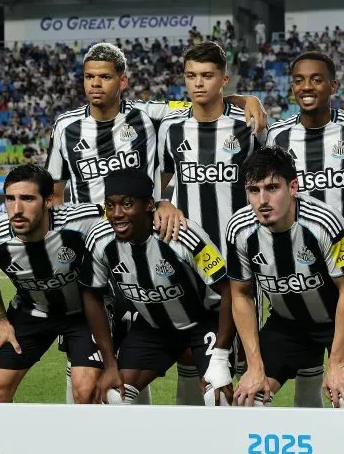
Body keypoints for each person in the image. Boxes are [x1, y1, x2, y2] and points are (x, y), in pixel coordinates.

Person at [47, 41, 265, 406]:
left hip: (171, 251)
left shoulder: (149, 116)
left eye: (105, 77)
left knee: (205, 363)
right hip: (97, 256)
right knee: (88, 372)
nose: (96, 84)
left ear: (123, 81)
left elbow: (205, 97)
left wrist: (250, 100)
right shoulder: (65, 126)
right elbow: (54, 192)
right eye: (89, 77)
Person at [266, 51, 344, 408]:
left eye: (316, 79)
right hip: (296, 275)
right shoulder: (278, 135)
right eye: (299, 79)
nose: (306, 86)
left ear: (332, 85)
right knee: (308, 370)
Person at [153, 42, 267, 401]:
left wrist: (249, 99)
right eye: (191, 76)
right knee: (191, 360)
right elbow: (162, 180)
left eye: (207, 76)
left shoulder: (247, 128)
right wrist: (162, 201)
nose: (198, 83)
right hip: (187, 259)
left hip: (238, 261)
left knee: (235, 370)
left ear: (224, 79)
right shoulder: (170, 128)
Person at [226, 147, 344, 408]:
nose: (263, 200)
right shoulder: (239, 229)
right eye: (254, 190)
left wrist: (336, 364)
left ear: (293, 187)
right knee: (249, 400)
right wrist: (255, 367)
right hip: (288, 323)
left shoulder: (324, 222)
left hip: (340, 318)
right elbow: (240, 294)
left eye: (272, 187)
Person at [80, 169, 236, 406]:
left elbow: (228, 290)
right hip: (154, 327)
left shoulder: (182, 234)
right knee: (113, 395)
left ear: (148, 205)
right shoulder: (100, 239)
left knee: (218, 396)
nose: (117, 214)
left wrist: (220, 358)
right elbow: (91, 295)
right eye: (110, 206)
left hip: (203, 322)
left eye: (127, 204)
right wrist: (110, 364)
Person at [0, 165, 103, 403]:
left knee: (86, 392)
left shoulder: (83, 221)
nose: (17, 209)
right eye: (10, 199)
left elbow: (127, 213)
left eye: (27, 199)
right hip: (31, 312)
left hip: (85, 314)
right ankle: (5, 441)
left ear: (48, 200)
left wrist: (161, 207)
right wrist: (1, 320)